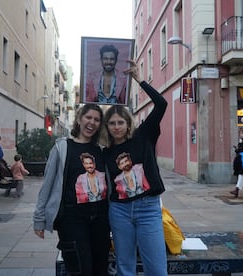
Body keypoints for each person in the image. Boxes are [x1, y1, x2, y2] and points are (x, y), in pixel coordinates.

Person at [102, 60, 168, 275]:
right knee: (125, 266)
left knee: (157, 268)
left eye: (120, 122)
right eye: (112, 123)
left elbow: (161, 104)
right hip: (119, 211)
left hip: (148, 209)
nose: (116, 127)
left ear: (128, 123)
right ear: (107, 127)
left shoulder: (144, 135)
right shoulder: (107, 152)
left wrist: (139, 79)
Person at [33, 104, 110, 275]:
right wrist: (39, 219)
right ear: (79, 119)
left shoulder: (102, 150)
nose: (92, 122)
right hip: (72, 218)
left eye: (97, 120)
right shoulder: (62, 147)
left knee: (100, 269)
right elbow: (47, 184)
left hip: (100, 219)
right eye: (88, 117)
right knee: (80, 269)